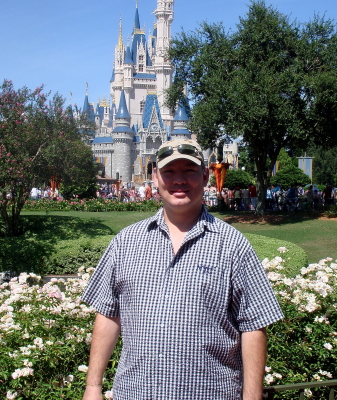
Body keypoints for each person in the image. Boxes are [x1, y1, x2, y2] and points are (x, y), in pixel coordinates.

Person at [81, 138, 283, 400]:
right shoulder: (126, 242)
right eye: (169, 172)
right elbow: (108, 314)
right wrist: (93, 386)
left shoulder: (233, 245)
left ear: (205, 175)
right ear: (155, 177)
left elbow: (253, 326)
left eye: (189, 171)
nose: (179, 181)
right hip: (135, 393)